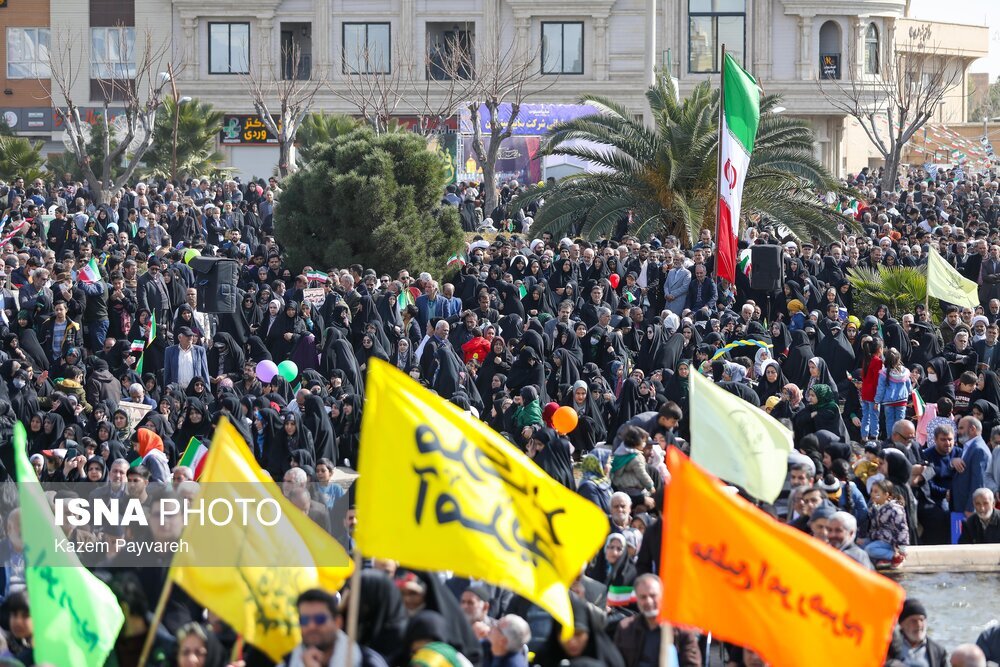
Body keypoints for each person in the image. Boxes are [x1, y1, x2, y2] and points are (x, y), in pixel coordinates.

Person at [279, 588, 386, 667]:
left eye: (320, 619)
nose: (311, 626)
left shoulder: (369, 662)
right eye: (305, 620)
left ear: (337, 622)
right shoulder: (287, 663)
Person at [612, 574, 701, 667]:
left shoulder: (682, 629)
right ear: (637, 599)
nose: (649, 601)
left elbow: (692, 664)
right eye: (643, 597)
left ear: (663, 595)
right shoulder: (626, 628)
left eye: (653, 595)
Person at [896, 598, 948, 667]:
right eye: (913, 621)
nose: (918, 624)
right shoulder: (888, 647)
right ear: (902, 624)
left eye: (921, 619)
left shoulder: (938, 651)